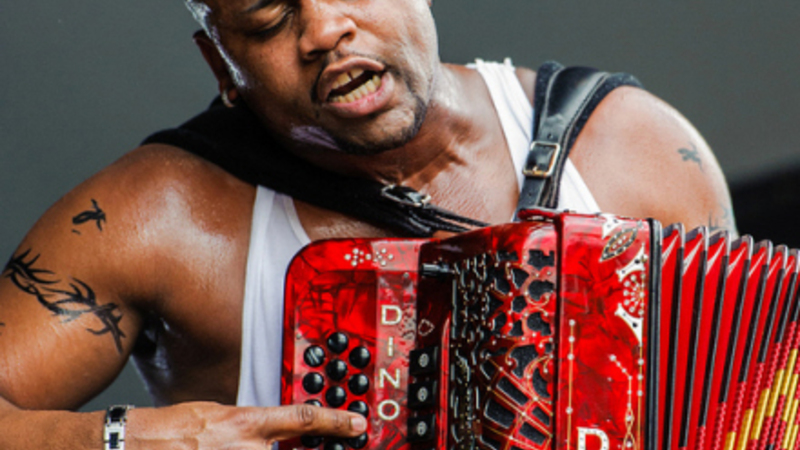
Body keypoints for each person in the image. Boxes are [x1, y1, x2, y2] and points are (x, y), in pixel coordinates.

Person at [0, 0, 735, 448]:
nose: (325, 28)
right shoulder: (154, 218)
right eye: (268, 16)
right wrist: (126, 441)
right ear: (220, 62)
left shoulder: (634, 148)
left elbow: (740, 405)